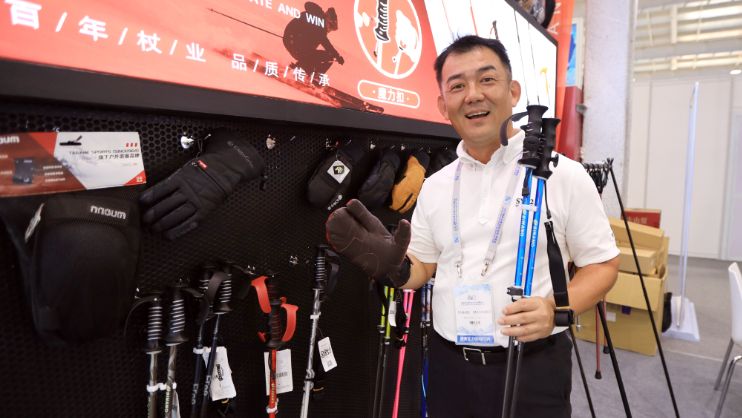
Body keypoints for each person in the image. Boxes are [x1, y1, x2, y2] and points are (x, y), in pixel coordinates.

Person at [325, 35, 619, 417]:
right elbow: (424, 265)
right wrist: (396, 270)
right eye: (457, 86)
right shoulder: (435, 185)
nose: (473, 95)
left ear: (513, 91)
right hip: (448, 365)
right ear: (442, 105)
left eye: (487, 79)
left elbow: (603, 265)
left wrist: (556, 308)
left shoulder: (563, 175)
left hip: (532, 368)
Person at [282, 2, 344, 79]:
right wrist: (337, 56)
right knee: (329, 56)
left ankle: (302, 68)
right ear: (327, 20)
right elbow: (325, 43)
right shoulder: (319, 25)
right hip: (293, 41)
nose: (329, 30)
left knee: (314, 54)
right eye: (330, 26)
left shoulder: (316, 19)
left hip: (293, 41)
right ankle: (311, 74)